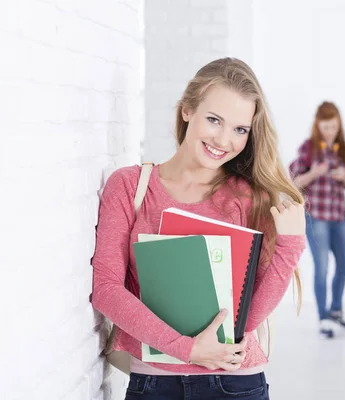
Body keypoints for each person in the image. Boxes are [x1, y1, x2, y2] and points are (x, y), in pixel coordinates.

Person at [91, 57, 307, 400]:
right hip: (153, 382)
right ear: (187, 110)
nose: (224, 139)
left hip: (235, 383)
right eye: (214, 120)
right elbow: (106, 290)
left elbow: (246, 321)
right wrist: (187, 349)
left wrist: (292, 245)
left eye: (240, 129)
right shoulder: (131, 187)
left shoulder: (251, 198)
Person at [289, 101, 345, 339]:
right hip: (316, 216)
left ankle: (336, 309)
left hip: (339, 215)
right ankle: (323, 318)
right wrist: (314, 173)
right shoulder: (308, 149)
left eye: (334, 126)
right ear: (318, 125)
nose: (330, 131)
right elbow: (293, 182)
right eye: (326, 127)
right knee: (322, 267)